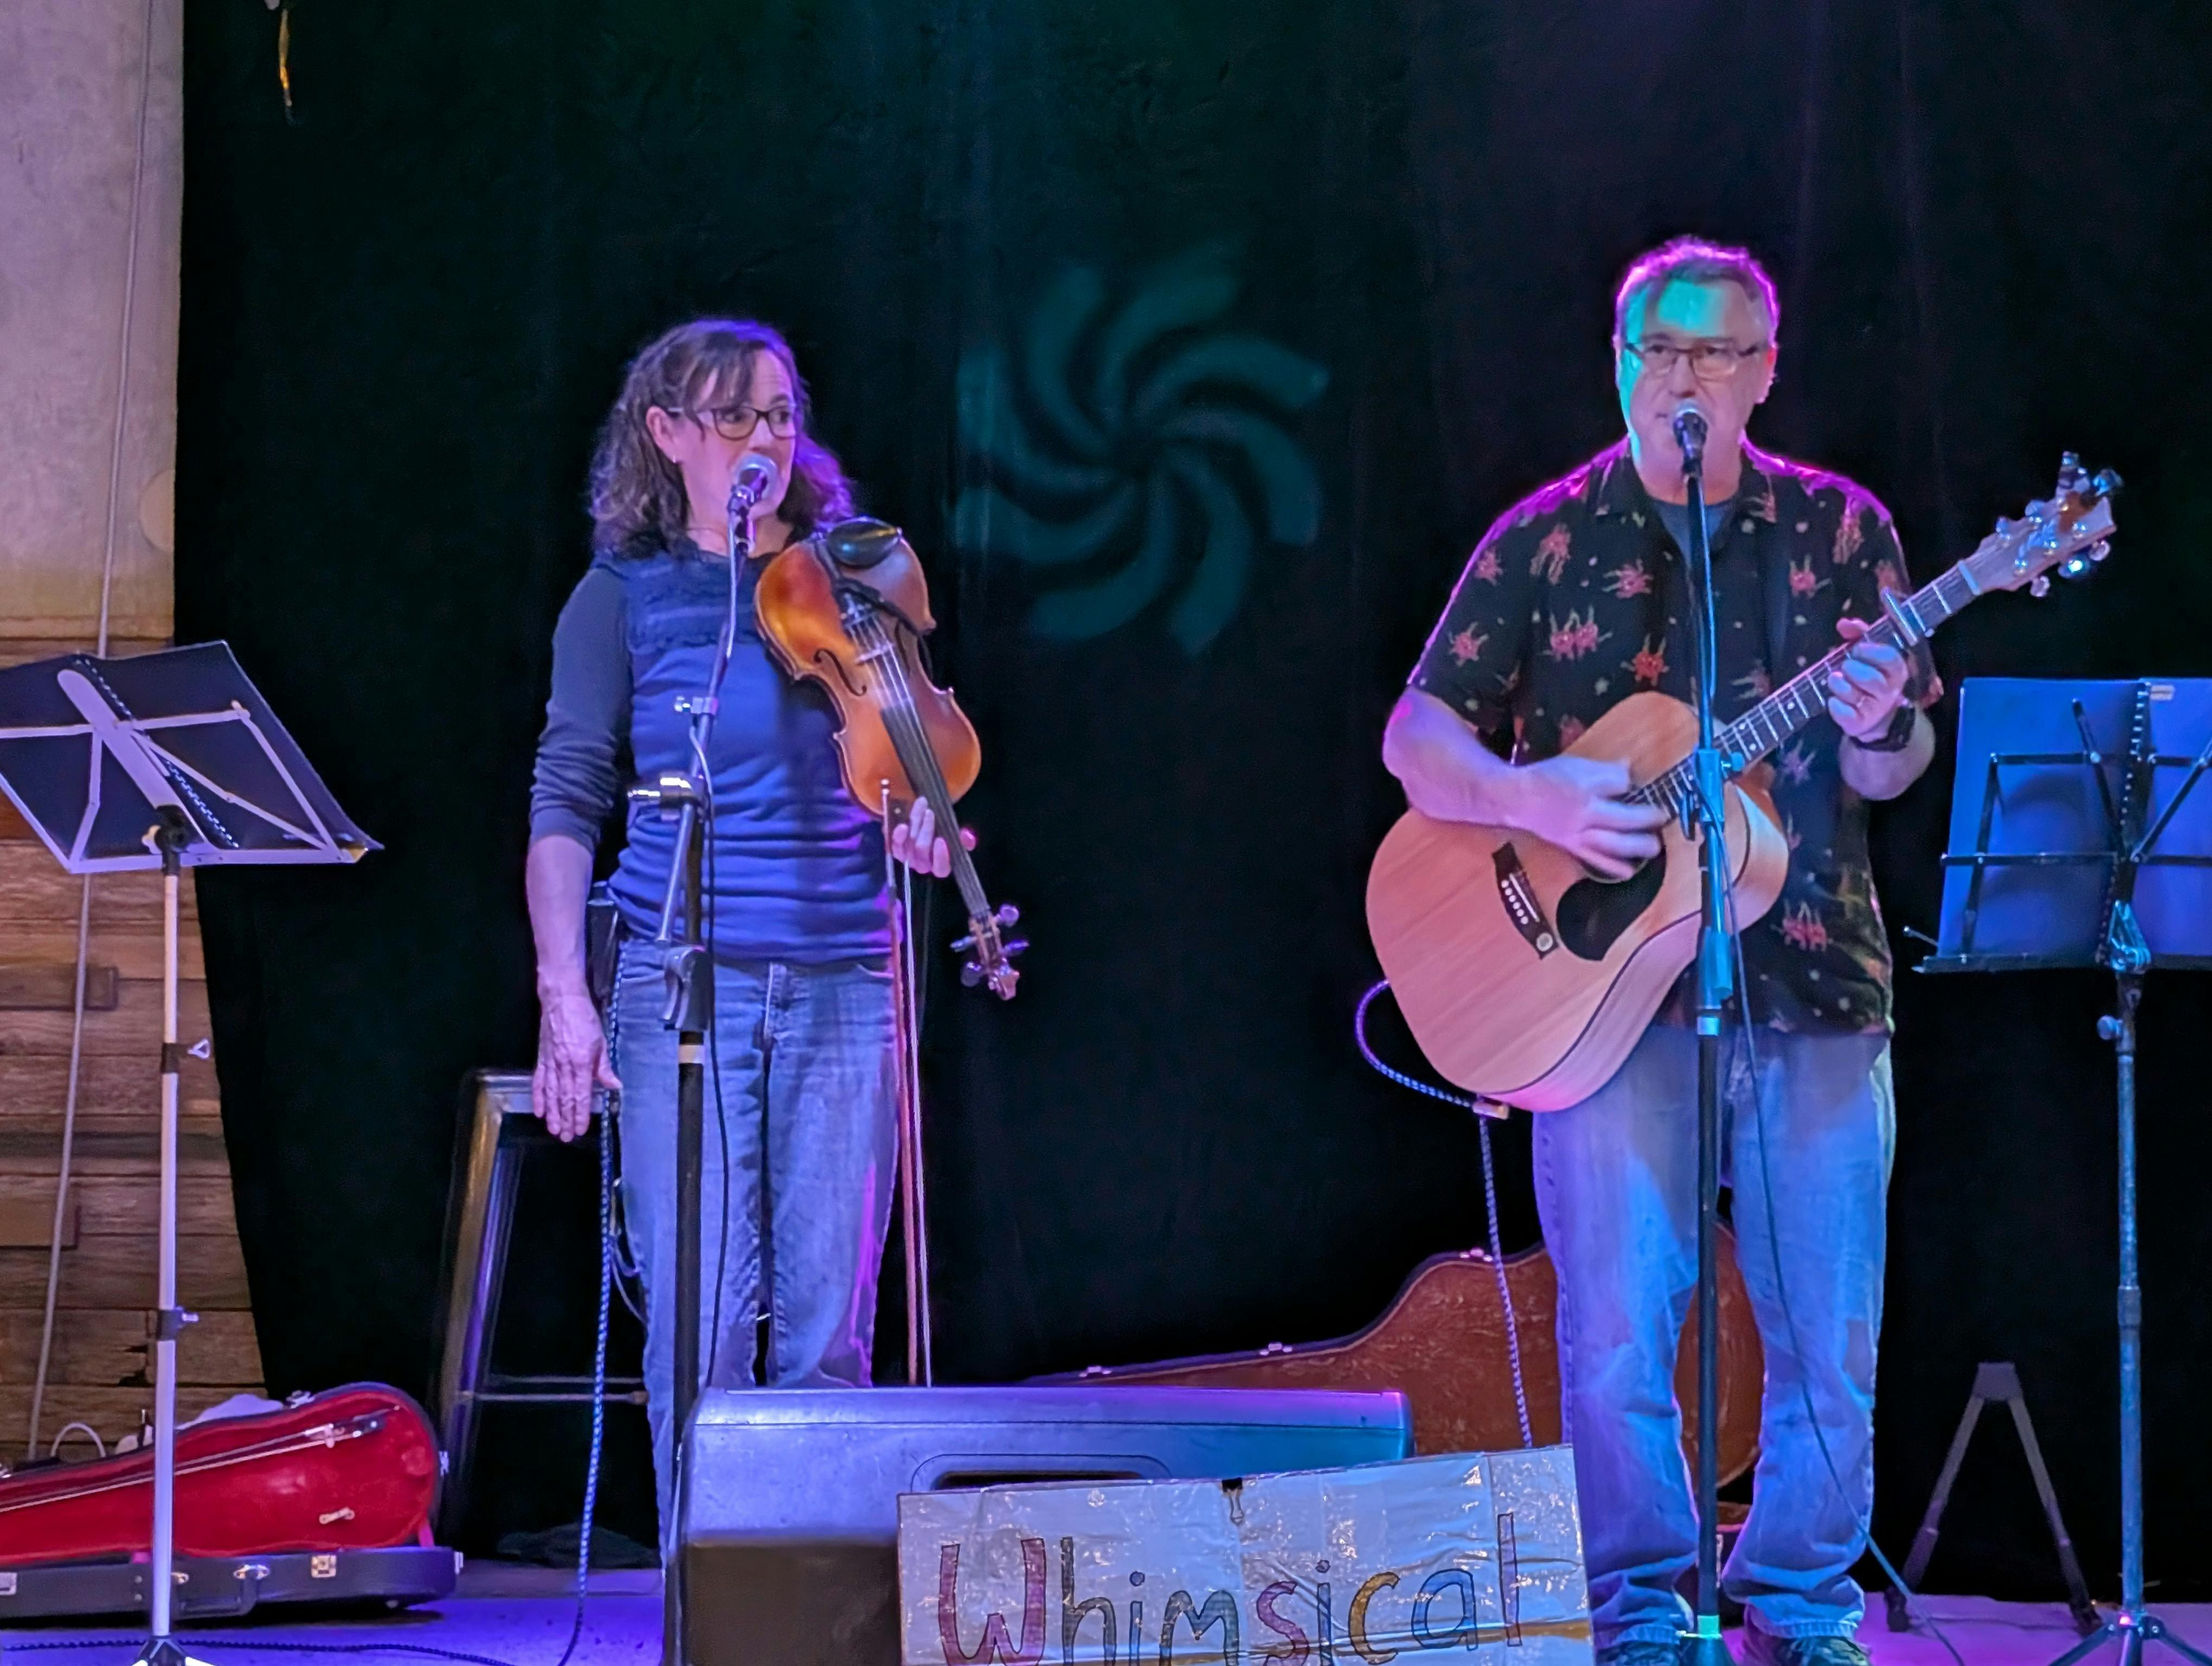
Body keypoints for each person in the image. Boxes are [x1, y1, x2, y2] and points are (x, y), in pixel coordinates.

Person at [1382, 238, 1935, 1666]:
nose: (1688, 377)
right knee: (1621, 1327)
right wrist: (1530, 798)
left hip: (1814, 981)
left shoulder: (1842, 531)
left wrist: (1881, 722)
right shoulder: (1548, 535)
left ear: (1765, 372)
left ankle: (1800, 1602)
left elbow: (1890, 771)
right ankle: (1639, 1606)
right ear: (1621, 365)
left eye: (1717, 352)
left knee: (1832, 1326)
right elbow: (1417, 736)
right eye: (1663, 350)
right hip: (1596, 1003)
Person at [525, 318, 965, 1543]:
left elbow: (906, 764)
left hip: (844, 980)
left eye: (779, 414)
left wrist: (922, 828)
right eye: (733, 417)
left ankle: (818, 1605)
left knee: (828, 1331)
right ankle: (705, 1601)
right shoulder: (622, 598)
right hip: (680, 988)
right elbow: (567, 796)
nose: (763, 440)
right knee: (702, 1322)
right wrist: (565, 995)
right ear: (667, 434)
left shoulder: (850, 579)